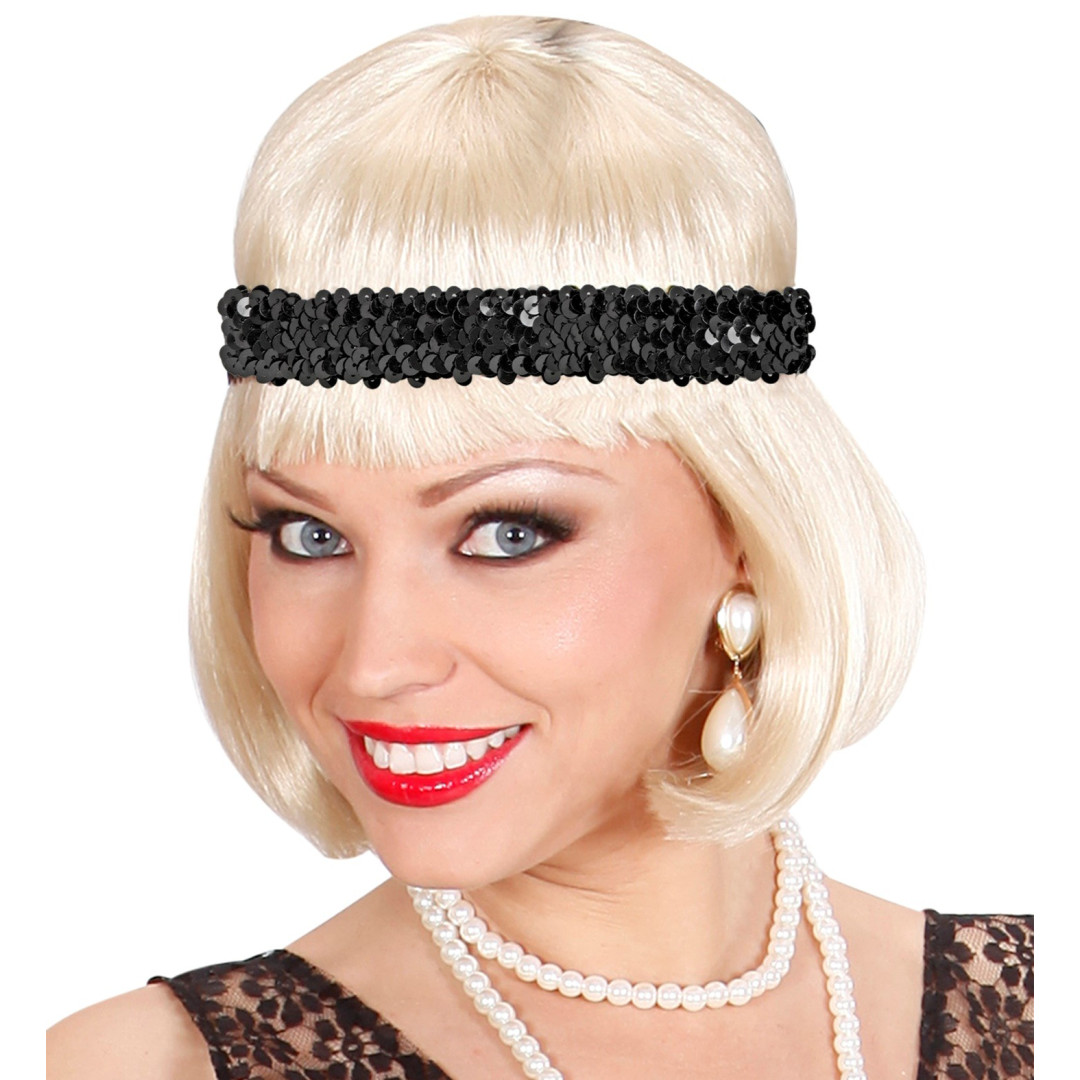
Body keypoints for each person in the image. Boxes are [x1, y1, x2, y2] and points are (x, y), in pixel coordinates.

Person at [46, 14, 1033, 1080]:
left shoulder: (1029, 1006)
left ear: (748, 526)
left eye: (507, 533)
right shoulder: (133, 1065)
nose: (373, 663)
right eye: (311, 533)